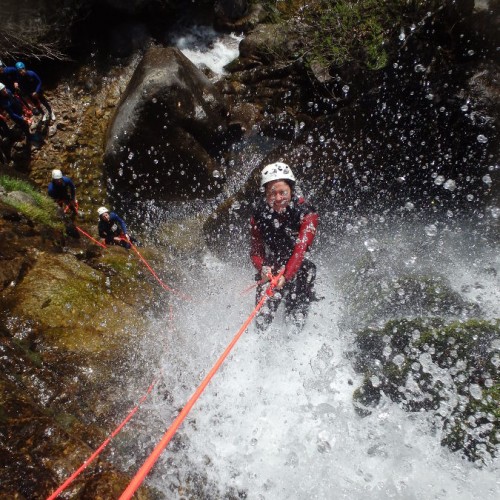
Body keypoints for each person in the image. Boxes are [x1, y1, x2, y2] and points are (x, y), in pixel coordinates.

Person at [250, 162, 319, 332]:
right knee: (261, 323)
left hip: (300, 269)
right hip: (272, 269)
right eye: (272, 194)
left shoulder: (306, 213)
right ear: (265, 195)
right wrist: (263, 269)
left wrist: (286, 276)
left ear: (291, 191)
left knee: (295, 323)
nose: (278, 198)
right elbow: (256, 250)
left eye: (283, 192)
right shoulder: (259, 215)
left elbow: (300, 250)